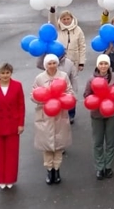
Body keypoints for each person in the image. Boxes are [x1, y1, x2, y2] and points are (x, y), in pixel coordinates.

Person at [32, 54, 73, 185]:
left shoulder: (63, 76)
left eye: (54, 63)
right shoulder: (39, 78)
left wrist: (61, 98)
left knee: (59, 146)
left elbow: (70, 92)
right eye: (49, 63)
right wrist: (43, 99)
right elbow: (33, 94)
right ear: (45, 65)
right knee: (47, 146)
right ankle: (49, 170)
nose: (52, 66)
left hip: (60, 114)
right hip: (45, 115)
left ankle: (57, 169)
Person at [0, 63, 25, 190]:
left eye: (7, 73)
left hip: (13, 124)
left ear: (11, 73)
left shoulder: (17, 86)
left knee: (12, 153)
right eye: (3, 73)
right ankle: (1, 179)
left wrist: (20, 123)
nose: (5, 75)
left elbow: (21, 105)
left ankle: (10, 178)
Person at [84, 54, 114, 180]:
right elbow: (86, 95)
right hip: (96, 114)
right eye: (101, 64)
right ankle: (100, 167)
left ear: (109, 65)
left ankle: (109, 166)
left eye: (105, 63)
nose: (103, 66)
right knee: (98, 142)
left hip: (112, 113)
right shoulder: (91, 79)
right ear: (97, 65)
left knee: (110, 141)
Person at [49, 9, 87, 122]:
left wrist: (81, 62)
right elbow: (51, 21)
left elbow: (82, 46)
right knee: (58, 86)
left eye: (68, 19)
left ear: (71, 19)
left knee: (71, 88)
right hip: (60, 62)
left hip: (73, 62)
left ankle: (71, 112)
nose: (66, 21)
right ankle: (59, 110)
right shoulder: (57, 29)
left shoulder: (78, 30)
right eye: (64, 19)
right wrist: (52, 11)